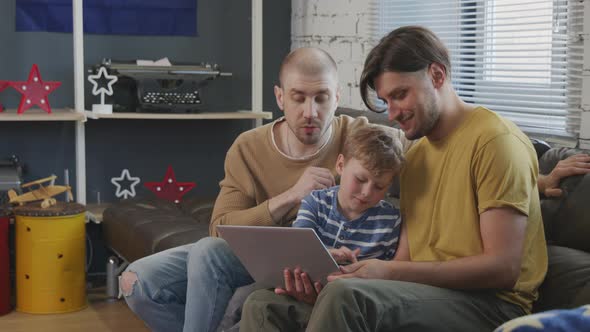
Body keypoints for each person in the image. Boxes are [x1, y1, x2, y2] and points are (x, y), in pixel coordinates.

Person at [239, 25, 550, 332]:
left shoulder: (496, 142)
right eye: (386, 101)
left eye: (400, 95)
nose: (392, 113)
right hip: (423, 293)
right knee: (263, 303)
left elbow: (503, 269)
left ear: (437, 76)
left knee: (345, 296)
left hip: (489, 304)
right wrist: (355, 275)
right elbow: (406, 256)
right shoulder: (415, 155)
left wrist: (386, 273)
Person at [118, 47, 409, 332]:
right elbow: (219, 229)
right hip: (253, 253)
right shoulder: (248, 146)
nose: (311, 112)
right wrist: (292, 195)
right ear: (280, 97)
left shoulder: (358, 135)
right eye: (298, 98)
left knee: (227, 278)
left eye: (321, 98)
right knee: (136, 282)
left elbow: (419, 143)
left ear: (336, 98)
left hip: (315, 262)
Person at [290, 124, 406, 272]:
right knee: (261, 295)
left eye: (379, 187)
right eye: (360, 179)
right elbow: (298, 247)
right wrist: (324, 255)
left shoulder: (391, 220)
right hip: (310, 277)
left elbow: (390, 273)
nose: (367, 193)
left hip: (358, 290)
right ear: (340, 165)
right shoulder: (315, 202)